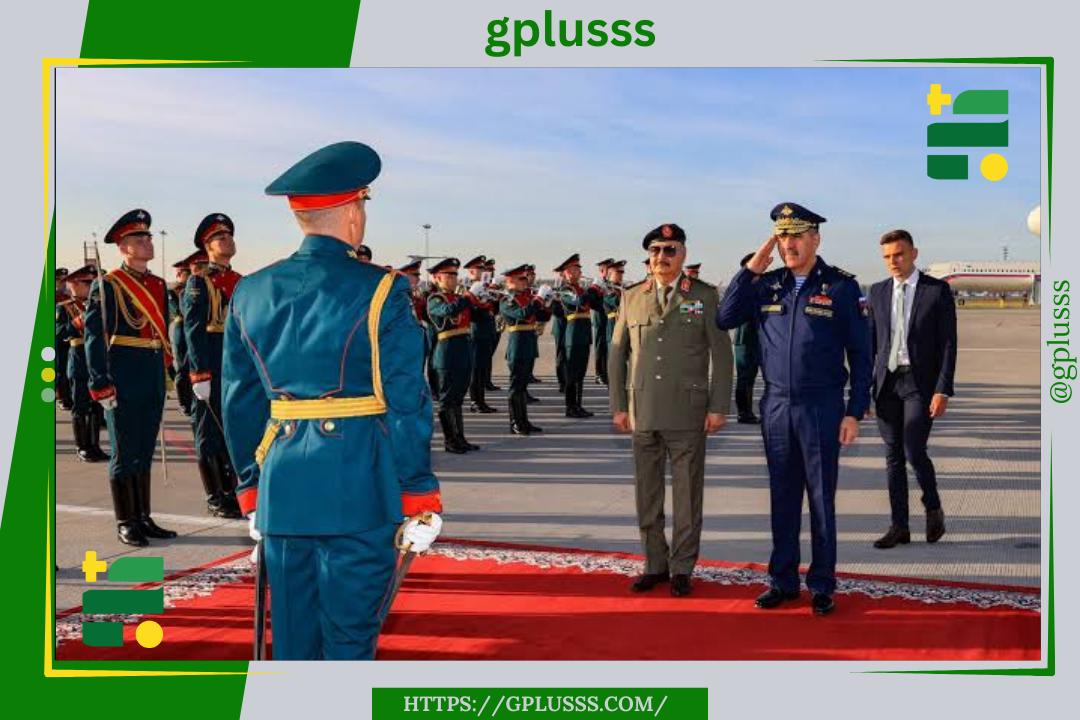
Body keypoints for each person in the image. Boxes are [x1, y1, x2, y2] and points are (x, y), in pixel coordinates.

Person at [223, 141, 443, 660]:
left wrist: (252, 487)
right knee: (349, 641)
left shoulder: (249, 291)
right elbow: (406, 402)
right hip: (359, 486)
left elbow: (239, 401)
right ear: (351, 212)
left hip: (282, 489)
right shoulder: (382, 289)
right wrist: (417, 491)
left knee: (293, 642)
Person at [716, 203, 871, 616]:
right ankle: (782, 581)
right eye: (782, 237)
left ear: (815, 239)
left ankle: (821, 584)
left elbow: (862, 353)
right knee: (782, 497)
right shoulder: (766, 285)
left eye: (796, 236)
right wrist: (752, 267)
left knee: (820, 498)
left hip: (821, 405)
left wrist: (854, 410)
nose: (789, 245)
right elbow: (724, 317)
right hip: (777, 405)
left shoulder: (841, 287)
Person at [609, 223, 733, 597]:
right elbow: (617, 354)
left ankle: (682, 568)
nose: (661, 257)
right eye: (655, 250)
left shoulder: (703, 295)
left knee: (687, 497)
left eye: (670, 250)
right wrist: (619, 406)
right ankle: (654, 564)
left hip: (687, 412)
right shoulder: (632, 296)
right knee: (647, 495)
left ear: (683, 254)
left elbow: (722, 355)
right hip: (643, 410)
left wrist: (718, 406)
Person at [84, 209, 178, 546]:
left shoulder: (158, 284)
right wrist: (99, 381)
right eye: (139, 238)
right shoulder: (108, 285)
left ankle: (143, 516)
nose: (147, 242)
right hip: (122, 374)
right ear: (123, 247)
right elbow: (95, 336)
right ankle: (126, 520)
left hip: (151, 373)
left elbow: (162, 334)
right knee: (124, 451)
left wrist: (167, 371)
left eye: (148, 237)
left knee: (144, 449)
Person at [868, 229, 956, 548]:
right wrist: (863, 390)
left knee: (913, 450)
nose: (893, 261)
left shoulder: (936, 291)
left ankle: (932, 506)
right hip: (887, 383)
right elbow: (870, 343)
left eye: (899, 254)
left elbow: (948, 344)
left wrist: (942, 389)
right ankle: (899, 526)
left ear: (914, 254)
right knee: (892, 456)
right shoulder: (877, 291)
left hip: (920, 385)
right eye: (887, 257)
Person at [182, 213, 244, 519]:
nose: (227, 240)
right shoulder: (199, 281)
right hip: (212, 361)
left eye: (229, 235)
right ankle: (216, 495)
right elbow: (193, 329)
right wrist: (199, 372)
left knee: (233, 429)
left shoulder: (241, 281)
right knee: (209, 433)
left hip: (237, 365)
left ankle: (234, 490)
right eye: (220, 237)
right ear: (207, 247)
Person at [427, 257, 481, 453]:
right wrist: (468, 297)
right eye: (448, 275)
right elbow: (446, 311)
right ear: (437, 278)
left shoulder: (459, 298)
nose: (453, 278)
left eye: (455, 275)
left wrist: (481, 301)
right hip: (447, 352)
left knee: (458, 398)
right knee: (447, 399)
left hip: (463, 350)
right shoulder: (435, 299)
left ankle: (460, 438)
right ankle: (450, 441)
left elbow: (479, 317)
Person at [57, 265, 108, 462]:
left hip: (97, 359)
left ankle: (95, 445)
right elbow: (58, 334)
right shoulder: (64, 307)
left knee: (96, 405)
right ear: (74, 284)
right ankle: (82, 446)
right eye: (87, 283)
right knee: (81, 405)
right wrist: (77, 322)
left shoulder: (98, 305)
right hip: (78, 358)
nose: (91, 286)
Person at [500, 264, 553, 434]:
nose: (525, 281)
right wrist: (538, 300)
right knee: (516, 386)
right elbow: (522, 314)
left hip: (529, 343)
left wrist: (547, 303)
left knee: (523, 386)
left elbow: (543, 316)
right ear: (510, 281)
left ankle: (524, 421)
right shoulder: (507, 300)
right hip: (518, 345)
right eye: (521, 278)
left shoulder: (527, 298)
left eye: (525, 278)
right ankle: (515, 422)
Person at [551, 253, 602, 418]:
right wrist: (593, 288)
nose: (579, 272)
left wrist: (600, 292)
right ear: (566, 273)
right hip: (573, 335)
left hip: (584, 334)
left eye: (578, 269)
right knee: (572, 374)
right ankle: (570, 407)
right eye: (575, 269)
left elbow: (597, 306)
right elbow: (578, 302)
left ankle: (578, 405)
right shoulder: (565, 290)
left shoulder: (581, 289)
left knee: (580, 373)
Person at [170, 250, 208, 418]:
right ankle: (184, 400)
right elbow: (178, 310)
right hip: (181, 327)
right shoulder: (178, 291)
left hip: (194, 326)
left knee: (192, 362)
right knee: (183, 364)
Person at [463, 255, 498, 414]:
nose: (484, 271)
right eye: (480, 269)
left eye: (484, 269)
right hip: (475, 334)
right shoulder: (466, 289)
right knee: (476, 370)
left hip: (487, 332)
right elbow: (469, 313)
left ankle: (481, 400)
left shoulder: (486, 287)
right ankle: (475, 401)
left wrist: (494, 298)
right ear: (471, 272)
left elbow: (493, 310)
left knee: (483, 369)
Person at [732, 253, 762, 424]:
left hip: (763, 338)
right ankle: (744, 412)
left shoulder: (764, 285)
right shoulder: (740, 286)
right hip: (745, 338)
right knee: (745, 377)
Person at [592, 258, 614, 385]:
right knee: (600, 346)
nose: (610, 271)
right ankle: (599, 374)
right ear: (602, 270)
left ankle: (606, 372)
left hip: (609, 318)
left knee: (608, 346)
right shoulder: (598, 283)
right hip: (600, 317)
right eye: (608, 268)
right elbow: (593, 302)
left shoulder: (611, 283)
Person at [55, 268, 74, 411]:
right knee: (60, 369)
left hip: (70, 337)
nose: (62, 284)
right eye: (60, 281)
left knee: (69, 369)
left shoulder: (68, 297)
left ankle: (69, 396)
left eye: (64, 281)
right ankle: (62, 397)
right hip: (58, 337)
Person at [485, 257, 504, 391]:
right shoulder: (480, 287)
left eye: (492, 271)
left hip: (494, 323)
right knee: (484, 356)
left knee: (489, 355)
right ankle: (483, 381)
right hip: (484, 323)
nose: (491, 273)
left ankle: (487, 380)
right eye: (488, 270)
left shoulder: (495, 287)